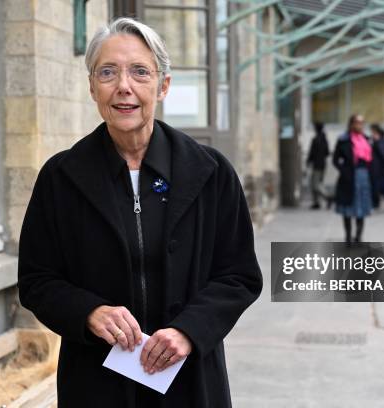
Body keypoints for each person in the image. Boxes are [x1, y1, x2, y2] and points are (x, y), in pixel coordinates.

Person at [17, 18, 263, 408]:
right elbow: (37, 280)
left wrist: (189, 331)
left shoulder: (210, 172)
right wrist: (89, 312)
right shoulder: (61, 177)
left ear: (163, 86)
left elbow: (239, 276)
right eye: (108, 72)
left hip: (189, 378)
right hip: (96, 381)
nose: (123, 87)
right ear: (92, 87)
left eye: (140, 72)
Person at [333, 114, 373, 244]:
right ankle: (348, 237)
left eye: (362, 123)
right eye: (357, 122)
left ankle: (359, 236)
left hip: (364, 176)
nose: (359, 125)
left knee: (362, 207)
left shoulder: (367, 139)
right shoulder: (343, 140)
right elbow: (335, 160)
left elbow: (372, 160)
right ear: (351, 124)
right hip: (349, 177)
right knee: (348, 208)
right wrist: (344, 170)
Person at [306, 121, 330, 209]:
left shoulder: (316, 139)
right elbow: (327, 152)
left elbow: (311, 153)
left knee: (315, 185)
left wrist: (308, 161)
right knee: (317, 183)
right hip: (323, 164)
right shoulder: (324, 139)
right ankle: (316, 202)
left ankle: (327, 197)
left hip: (317, 165)